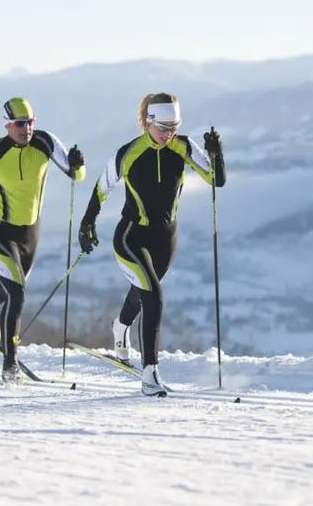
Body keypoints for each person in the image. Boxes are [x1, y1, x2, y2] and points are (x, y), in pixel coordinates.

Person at [77, 93, 225, 397]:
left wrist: (216, 152)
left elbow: (216, 180)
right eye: (163, 127)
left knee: (143, 290)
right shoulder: (129, 152)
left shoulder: (184, 147)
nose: (169, 133)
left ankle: (120, 327)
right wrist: (87, 224)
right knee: (153, 297)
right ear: (148, 122)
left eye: (174, 127)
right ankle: (150, 375)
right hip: (131, 237)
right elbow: (101, 188)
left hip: (166, 240)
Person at [0, 97, 86, 383]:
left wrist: (78, 163)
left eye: (31, 122)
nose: (27, 129)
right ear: (8, 125)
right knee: (18, 293)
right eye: (21, 124)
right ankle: (10, 364)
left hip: (31, 235)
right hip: (0, 232)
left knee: (11, 286)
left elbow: (77, 176)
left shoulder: (46, 143)